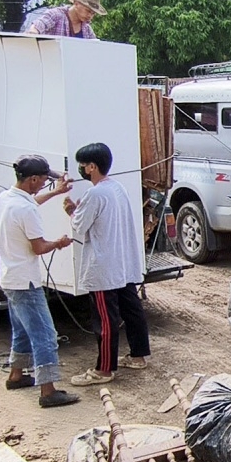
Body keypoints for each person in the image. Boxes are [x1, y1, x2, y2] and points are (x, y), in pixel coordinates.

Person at [0, 155, 79, 408]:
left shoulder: (6, 198)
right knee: (45, 334)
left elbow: (30, 204)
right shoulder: (26, 209)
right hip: (25, 281)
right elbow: (39, 247)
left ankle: (16, 375)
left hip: (9, 277)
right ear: (32, 179)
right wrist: (59, 243)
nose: (45, 184)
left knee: (21, 330)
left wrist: (55, 193)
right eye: (43, 180)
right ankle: (48, 390)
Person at [63, 143, 151, 386]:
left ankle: (104, 370)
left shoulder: (95, 193)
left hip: (103, 264)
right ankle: (138, 355)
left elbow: (79, 226)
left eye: (82, 165)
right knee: (131, 309)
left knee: (105, 318)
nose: (81, 169)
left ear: (92, 167)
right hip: (122, 261)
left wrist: (71, 210)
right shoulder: (117, 188)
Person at [27, 0, 106, 39]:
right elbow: (39, 24)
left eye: (93, 14)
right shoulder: (56, 14)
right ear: (76, 3)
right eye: (88, 11)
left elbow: (93, 47)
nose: (90, 16)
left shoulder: (87, 29)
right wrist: (33, 32)